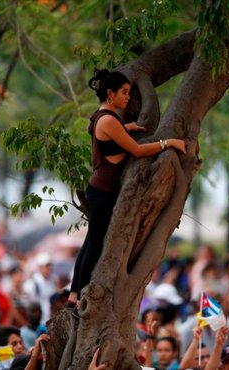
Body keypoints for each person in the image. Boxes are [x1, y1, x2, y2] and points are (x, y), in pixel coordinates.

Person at [67, 69, 186, 309]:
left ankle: (73, 293)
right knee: (95, 242)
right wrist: (167, 143)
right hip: (102, 191)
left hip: (100, 187)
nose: (128, 98)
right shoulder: (109, 120)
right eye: (124, 93)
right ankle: (77, 294)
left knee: (92, 240)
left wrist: (127, 128)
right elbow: (138, 151)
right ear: (110, 94)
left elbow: (112, 138)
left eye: (129, 92)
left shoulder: (103, 116)